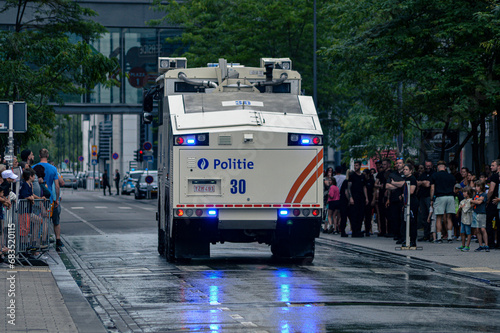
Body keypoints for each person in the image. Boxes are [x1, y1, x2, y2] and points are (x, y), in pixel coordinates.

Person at [32, 149, 62, 250]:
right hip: (48, 198)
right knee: (46, 220)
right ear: (47, 156)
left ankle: (35, 242)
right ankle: (45, 241)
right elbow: (57, 186)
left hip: (35, 197)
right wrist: (56, 199)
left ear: (39, 156)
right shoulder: (53, 169)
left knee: (36, 221)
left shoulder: (33, 167)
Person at [430, 161, 456, 243]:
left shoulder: (434, 176)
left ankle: (438, 238)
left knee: (439, 217)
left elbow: (432, 188)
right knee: (449, 217)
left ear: (438, 167)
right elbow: (454, 189)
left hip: (440, 197)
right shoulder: (451, 176)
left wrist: (431, 199)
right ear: (445, 167)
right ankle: (450, 237)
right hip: (450, 197)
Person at [386, 158, 405, 242]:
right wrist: (399, 185)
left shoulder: (406, 174)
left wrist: (393, 183)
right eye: (397, 163)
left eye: (400, 163)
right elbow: (387, 186)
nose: (398, 165)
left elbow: (406, 184)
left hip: (403, 199)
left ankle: (402, 235)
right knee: (395, 218)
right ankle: (396, 234)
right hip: (394, 198)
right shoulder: (392, 175)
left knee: (402, 218)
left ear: (403, 164)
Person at [347, 161, 368, 237]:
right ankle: (354, 230)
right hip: (354, 197)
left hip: (361, 197)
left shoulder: (362, 176)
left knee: (361, 214)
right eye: (355, 165)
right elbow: (349, 187)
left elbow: (364, 187)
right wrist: (351, 197)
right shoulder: (352, 175)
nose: (355, 167)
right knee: (354, 214)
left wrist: (366, 198)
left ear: (360, 166)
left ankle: (358, 230)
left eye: (357, 165)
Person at [417, 160, 434, 242]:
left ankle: (431, 235)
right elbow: (418, 183)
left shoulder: (433, 174)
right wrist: (423, 182)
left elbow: (428, 184)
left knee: (430, 216)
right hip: (422, 197)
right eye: (426, 165)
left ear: (432, 165)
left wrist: (422, 183)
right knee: (424, 216)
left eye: (429, 165)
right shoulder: (423, 174)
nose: (428, 167)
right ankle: (426, 235)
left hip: (429, 197)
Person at [471, 180, 489, 252]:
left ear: (481, 187)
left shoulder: (484, 195)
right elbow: (472, 204)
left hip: (482, 213)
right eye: (476, 186)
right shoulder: (475, 196)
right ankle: (480, 245)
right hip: (475, 212)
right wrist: (475, 201)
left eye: (478, 186)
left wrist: (473, 201)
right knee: (477, 229)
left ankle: (486, 245)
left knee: (483, 229)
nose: (476, 188)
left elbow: (479, 202)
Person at [486, 159, 500, 249]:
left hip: (493, 201)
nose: (491, 167)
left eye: (493, 165)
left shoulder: (494, 176)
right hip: (498, 200)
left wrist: (487, 200)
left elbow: (491, 190)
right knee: (498, 222)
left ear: (498, 166)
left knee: (488, 221)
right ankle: (498, 243)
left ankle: (490, 242)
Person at [456, 187, 474, 252]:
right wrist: (460, 208)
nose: (463, 193)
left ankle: (467, 246)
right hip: (462, 219)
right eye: (463, 192)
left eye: (465, 192)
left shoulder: (471, 200)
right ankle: (463, 245)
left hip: (468, 219)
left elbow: (466, 209)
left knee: (468, 232)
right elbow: (459, 208)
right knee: (462, 232)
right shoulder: (462, 201)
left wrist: (462, 207)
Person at [363, 168, 376, 236]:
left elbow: (374, 191)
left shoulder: (371, 181)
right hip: (363, 200)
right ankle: (366, 229)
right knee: (363, 215)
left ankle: (368, 229)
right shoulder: (363, 181)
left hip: (369, 199)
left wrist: (373, 199)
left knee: (368, 216)